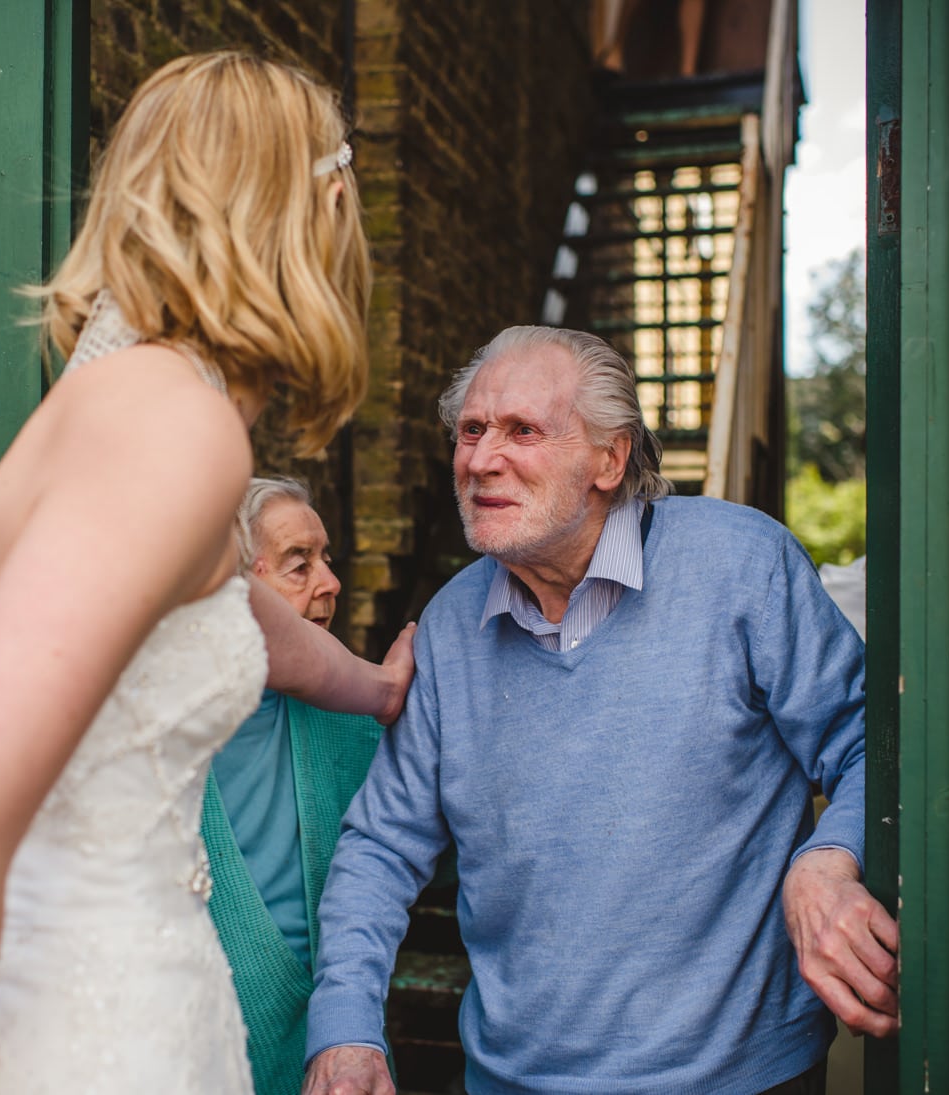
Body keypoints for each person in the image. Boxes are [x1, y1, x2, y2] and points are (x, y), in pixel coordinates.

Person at [0, 51, 413, 1095]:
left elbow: (212, 611)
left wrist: (366, 686)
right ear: (317, 210)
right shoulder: (172, 432)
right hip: (97, 1046)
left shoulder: (124, 404)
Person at [302, 326, 897, 1095]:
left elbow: (869, 740)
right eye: (472, 430)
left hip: (741, 1077)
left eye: (522, 431)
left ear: (609, 459)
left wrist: (829, 858)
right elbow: (382, 846)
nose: (480, 459)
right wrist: (347, 1026)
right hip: (516, 1080)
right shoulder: (448, 627)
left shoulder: (743, 565)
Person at [202, 477, 388, 1095]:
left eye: (326, 558)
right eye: (298, 563)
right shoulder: (161, 726)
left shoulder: (353, 720)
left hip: (325, 1055)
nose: (330, 583)